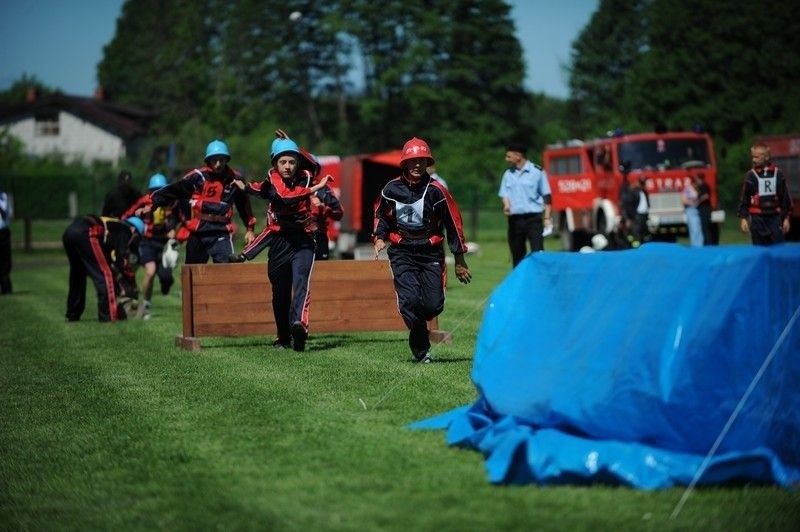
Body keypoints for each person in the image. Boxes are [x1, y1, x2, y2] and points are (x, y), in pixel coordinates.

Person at [373, 137, 472, 364]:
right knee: (409, 301)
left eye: (422, 161)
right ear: (404, 163)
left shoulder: (437, 191)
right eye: (412, 160)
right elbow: (380, 215)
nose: (417, 165)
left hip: (430, 252)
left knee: (432, 305)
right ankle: (421, 351)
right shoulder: (391, 189)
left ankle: (419, 323)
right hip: (402, 251)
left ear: (428, 163)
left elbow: (453, 223)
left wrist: (459, 259)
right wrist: (379, 237)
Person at [234, 137, 332, 352]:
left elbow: (314, 165)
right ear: (274, 165)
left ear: (298, 163)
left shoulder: (306, 177)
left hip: (303, 239)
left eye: (292, 161)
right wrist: (246, 187)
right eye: (282, 162)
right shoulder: (272, 182)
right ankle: (283, 337)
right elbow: (273, 194)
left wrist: (291, 143)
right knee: (279, 293)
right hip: (279, 241)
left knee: (301, 282)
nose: (287, 166)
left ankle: (300, 326)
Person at [147, 140, 256, 263]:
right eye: (214, 160)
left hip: (221, 232)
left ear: (227, 159)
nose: (218, 164)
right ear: (208, 160)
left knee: (227, 271)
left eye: (222, 160)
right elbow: (174, 190)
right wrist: (152, 202)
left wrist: (250, 229)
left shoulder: (236, 179)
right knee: (192, 273)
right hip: (198, 232)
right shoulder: (197, 177)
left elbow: (244, 205)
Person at [62, 215, 144, 322]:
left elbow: (108, 260)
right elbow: (121, 260)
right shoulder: (125, 230)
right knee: (105, 275)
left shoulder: (113, 226)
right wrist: (130, 284)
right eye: (136, 237)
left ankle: (73, 314)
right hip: (87, 232)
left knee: (78, 274)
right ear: (133, 230)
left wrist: (118, 288)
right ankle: (108, 315)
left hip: (69, 232)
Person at [122, 173, 182, 318]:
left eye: (161, 189)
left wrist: (173, 229)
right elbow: (126, 216)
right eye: (155, 189)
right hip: (147, 241)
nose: (158, 192)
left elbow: (180, 217)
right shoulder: (144, 201)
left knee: (166, 275)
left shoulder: (172, 203)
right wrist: (133, 225)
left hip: (164, 243)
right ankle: (146, 303)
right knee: (150, 271)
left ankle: (165, 284)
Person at [498, 143, 552, 266]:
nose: (506, 159)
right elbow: (504, 193)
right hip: (515, 220)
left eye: (508, 156)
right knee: (517, 254)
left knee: (537, 252)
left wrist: (547, 218)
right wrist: (506, 204)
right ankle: (520, 283)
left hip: (533, 219)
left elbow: (547, 196)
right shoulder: (508, 174)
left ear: (518, 156)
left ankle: (539, 280)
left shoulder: (537, 172)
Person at [737, 142, 792, 246]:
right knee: (759, 249)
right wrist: (743, 218)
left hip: (775, 218)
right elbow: (744, 198)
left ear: (766, 157)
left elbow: (785, 198)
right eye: (752, 157)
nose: (753, 160)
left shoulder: (778, 174)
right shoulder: (751, 175)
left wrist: (786, 218)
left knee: (778, 248)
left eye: (757, 157)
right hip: (757, 218)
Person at [682, 176, 703, 247]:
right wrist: (692, 202)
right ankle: (695, 245)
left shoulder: (695, 189)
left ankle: (699, 244)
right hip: (690, 210)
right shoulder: (686, 190)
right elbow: (684, 201)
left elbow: (698, 198)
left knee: (698, 228)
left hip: (697, 210)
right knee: (694, 228)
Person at [693, 173, 714, 245]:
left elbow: (706, 196)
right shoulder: (699, 186)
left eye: (697, 178)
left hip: (705, 209)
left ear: (699, 179)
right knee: (703, 227)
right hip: (702, 209)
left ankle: (708, 243)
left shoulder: (704, 186)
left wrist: (698, 202)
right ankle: (706, 242)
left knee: (705, 227)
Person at [0, 189, 12, 294]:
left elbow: (9, 213)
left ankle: (6, 288)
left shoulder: (3, 196)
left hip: (3, 231)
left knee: (5, 260)